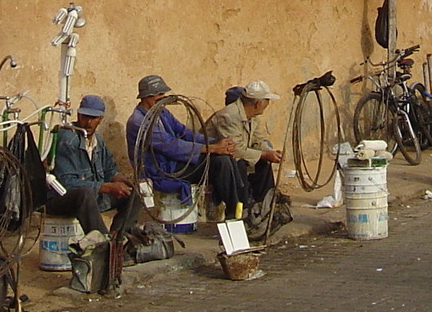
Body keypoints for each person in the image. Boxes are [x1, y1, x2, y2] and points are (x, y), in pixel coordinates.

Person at [126, 75, 237, 217]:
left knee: (227, 158)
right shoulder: (138, 121)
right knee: (219, 162)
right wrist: (213, 149)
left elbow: (185, 133)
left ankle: (240, 205)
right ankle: (233, 212)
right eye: (158, 94)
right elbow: (170, 146)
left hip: (174, 164)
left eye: (163, 94)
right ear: (146, 96)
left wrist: (215, 142)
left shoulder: (162, 112)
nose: (162, 97)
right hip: (160, 170)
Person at [45, 94, 139, 240]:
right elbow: (66, 183)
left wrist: (123, 181)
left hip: (93, 199)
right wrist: (107, 187)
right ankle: (103, 243)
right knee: (85, 193)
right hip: (60, 199)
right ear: (78, 115)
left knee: (136, 193)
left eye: (93, 118)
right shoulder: (67, 139)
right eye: (85, 117)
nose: (88, 122)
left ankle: (119, 239)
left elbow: (109, 170)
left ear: (100, 119)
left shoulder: (98, 141)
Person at [205, 80, 283, 220]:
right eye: (267, 101)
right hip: (217, 161)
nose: (268, 104)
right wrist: (264, 154)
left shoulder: (252, 116)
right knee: (239, 163)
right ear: (258, 103)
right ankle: (241, 211)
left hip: (237, 156)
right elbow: (234, 150)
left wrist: (269, 152)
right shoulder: (229, 116)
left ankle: (265, 206)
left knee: (263, 161)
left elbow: (258, 140)